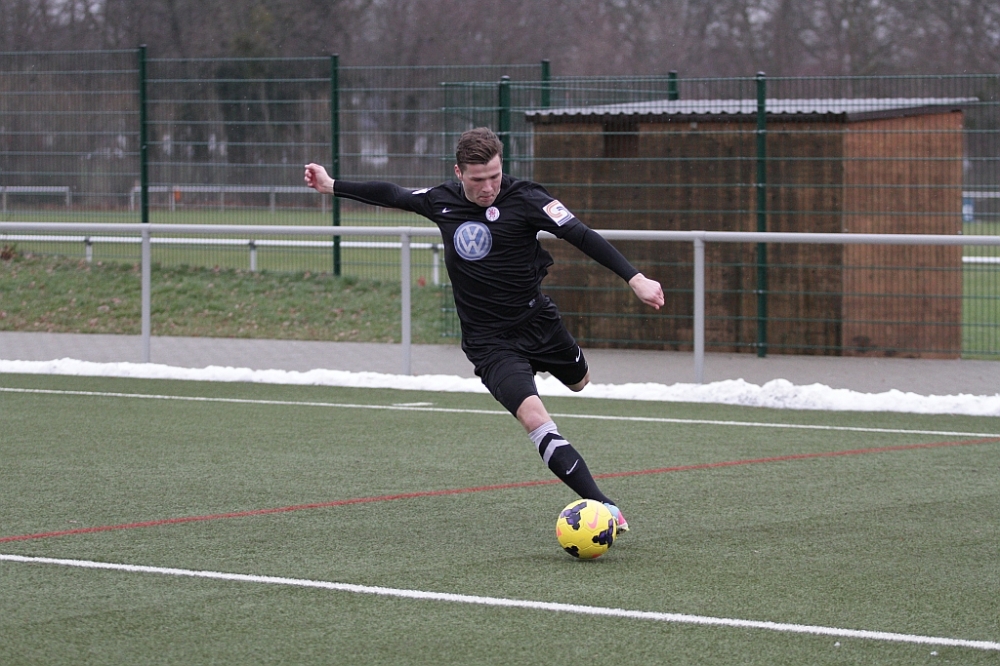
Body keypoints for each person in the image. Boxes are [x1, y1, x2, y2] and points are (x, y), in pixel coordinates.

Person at [304, 127, 664, 534]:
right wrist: (331, 185)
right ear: (459, 173)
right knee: (534, 418)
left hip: (539, 323)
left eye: (495, 176)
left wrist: (634, 278)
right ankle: (604, 505)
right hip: (489, 343)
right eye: (478, 179)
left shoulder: (527, 198)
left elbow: (580, 234)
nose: (488, 187)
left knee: (580, 382)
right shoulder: (441, 201)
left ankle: (562, 367)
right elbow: (393, 194)